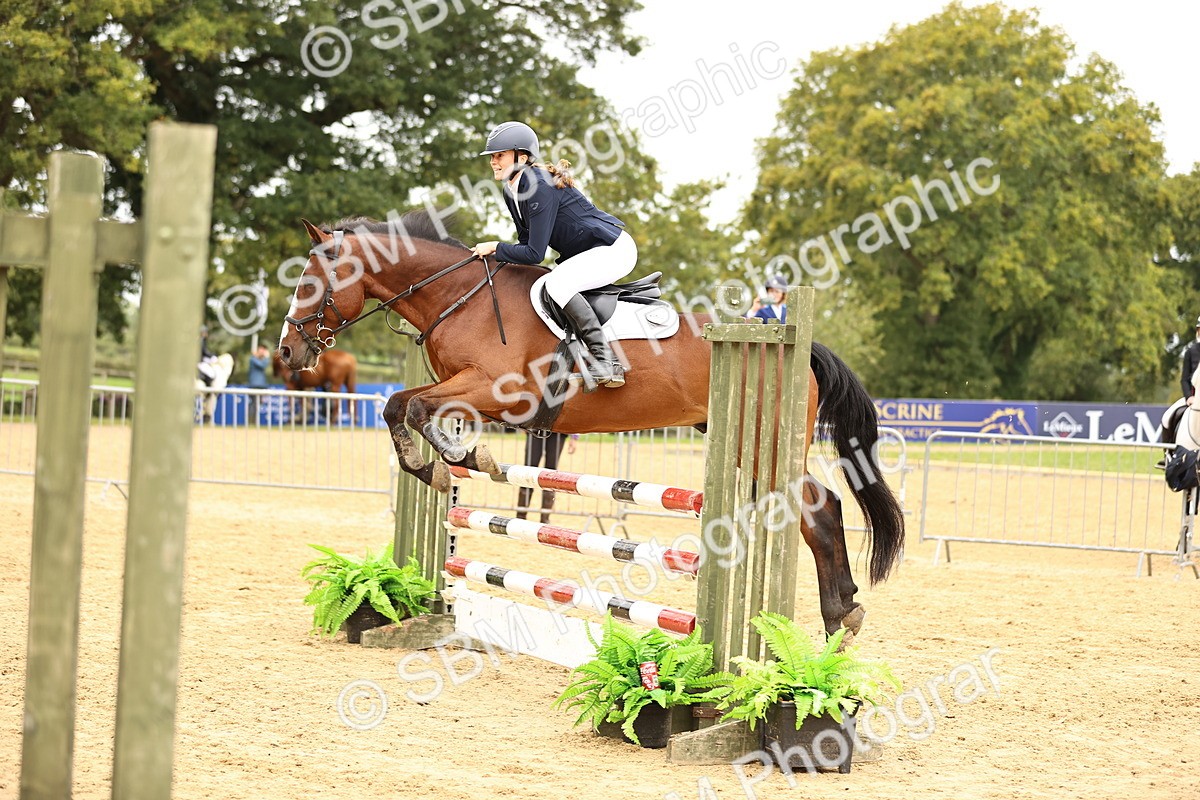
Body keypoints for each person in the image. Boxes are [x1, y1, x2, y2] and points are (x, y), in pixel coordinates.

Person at [470, 121, 633, 389]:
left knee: (557, 284)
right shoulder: (512, 190)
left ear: (521, 157)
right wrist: (494, 257)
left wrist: (496, 248)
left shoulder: (539, 185)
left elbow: (534, 253)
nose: (494, 162)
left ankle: (607, 361)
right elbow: (525, 243)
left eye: (499, 156)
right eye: (492, 157)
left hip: (613, 249)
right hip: (589, 253)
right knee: (545, 282)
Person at [1158, 315, 1200, 467]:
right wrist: (1189, 397)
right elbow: (1184, 379)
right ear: (1198, 331)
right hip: (1193, 398)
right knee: (1167, 417)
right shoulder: (1191, 351)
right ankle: (1168, 456)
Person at [516, 431, 577, 523]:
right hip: (536, 428)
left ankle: (545, 519)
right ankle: (520, 517)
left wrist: (574, 437)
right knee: (528, 472)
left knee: (551, 474)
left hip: (558, 431)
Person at [246, 344, 271, 420]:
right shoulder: (253, 359)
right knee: (254, 404)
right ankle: (251, 420)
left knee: (257, 403)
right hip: (254, 385)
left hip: (261, 385)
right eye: (261, 350)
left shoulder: (258, 359)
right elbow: (263, 365)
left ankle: (253, 421)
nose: (263, 352)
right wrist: (267, 357)